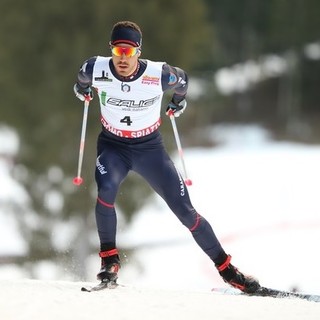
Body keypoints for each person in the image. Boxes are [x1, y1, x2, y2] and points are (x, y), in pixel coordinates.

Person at [73, 20, 260, 293]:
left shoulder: (159, 75)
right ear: (110, 51)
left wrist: (177, 101)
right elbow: (81, 78)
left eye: (128, 52)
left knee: (186, 213)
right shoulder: (95, 68)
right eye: (117, 52)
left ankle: (228, 270)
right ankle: (109, 262)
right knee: (106, 190)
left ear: (138, 52)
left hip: (150, 150)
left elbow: (183, 80)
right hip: (114, 147)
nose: (122, 59)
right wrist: (83, 89)